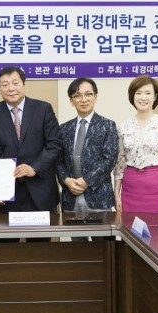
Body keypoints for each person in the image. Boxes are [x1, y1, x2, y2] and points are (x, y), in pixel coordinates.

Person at [0, 66, 62, 215]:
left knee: (43, 232)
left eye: (15, 83)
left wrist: (34, 168)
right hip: (8, 193)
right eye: (5, 84)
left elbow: (55, 145)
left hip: (41, 191)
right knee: (5, 231)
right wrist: (0, 186)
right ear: (0, 88)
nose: (11, 88)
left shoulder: (43, 109)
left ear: (23, 84)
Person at [114, 75, 158, 214]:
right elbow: (120, 163)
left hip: (156, 187)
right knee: (129, 226)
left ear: (155, 97)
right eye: (139, 93)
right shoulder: (123, 126)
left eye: (148, 93)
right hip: (130, 188)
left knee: (157, 226)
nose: (143, 97)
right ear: (132, 96)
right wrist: (116, 194)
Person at [56, 77, 118, 213]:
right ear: (71, 101)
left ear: (95, 97)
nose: (83, 100)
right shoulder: (63, 129)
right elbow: (58, 160)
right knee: (73, 229)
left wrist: (87, 181)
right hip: (71, 196)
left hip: (99, 197)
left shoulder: (108, 125)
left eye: (88, 94)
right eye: (77, 96)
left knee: (102, 229)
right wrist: (66, 180)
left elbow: (110, 159)